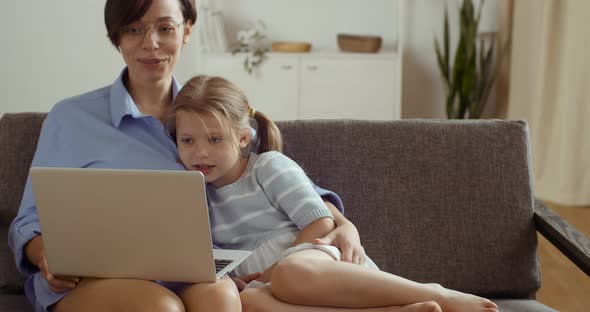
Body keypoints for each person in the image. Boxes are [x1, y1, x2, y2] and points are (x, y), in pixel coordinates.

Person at [7, 1, 364, 311]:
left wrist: (345, 225)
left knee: (223, 298)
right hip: (90, 280)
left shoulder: (206, 113)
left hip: (193, 274)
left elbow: (282, 184)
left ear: (187, 30)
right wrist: (46, 258)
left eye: (165, 28)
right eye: (134, 29)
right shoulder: (72, 118)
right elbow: (28, 221)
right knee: (160, 307)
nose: (151, 44)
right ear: (116, 36)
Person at [169, 75, 501, 312]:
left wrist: (272, 271)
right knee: (250, 304)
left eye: (214, 140)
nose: (200, 153)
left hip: (314, 261)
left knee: (289, 274)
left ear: (243, 138)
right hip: (267, 287)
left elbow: (321, 223)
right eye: (188, 141)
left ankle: (436, 293)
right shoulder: (194, 193)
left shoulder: (268, 167)